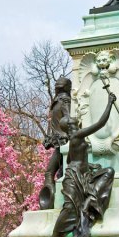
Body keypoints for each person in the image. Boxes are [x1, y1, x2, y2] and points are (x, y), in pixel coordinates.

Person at [48, 93, 116, 237]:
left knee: (109, 172)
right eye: (74, 121)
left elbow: (72, 159)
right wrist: (109, 103)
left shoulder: (75, 139)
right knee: (69, 208)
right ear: (71, 127)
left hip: (82, 174)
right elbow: (100, 123)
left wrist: (89, 165)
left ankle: (89, 204)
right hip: (73, 178)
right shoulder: (77, 135)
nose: (76, 121)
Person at [39, 77, 72, 209]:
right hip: (59, 142)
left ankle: (53, 202)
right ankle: (52, 202)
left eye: (58, 86)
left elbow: (69, 120)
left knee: (53, 173)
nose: (56, 87)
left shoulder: (64, 101)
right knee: (56, 173)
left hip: (63, 142)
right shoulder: (58, 101)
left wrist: (63, 136)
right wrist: (50, 138)